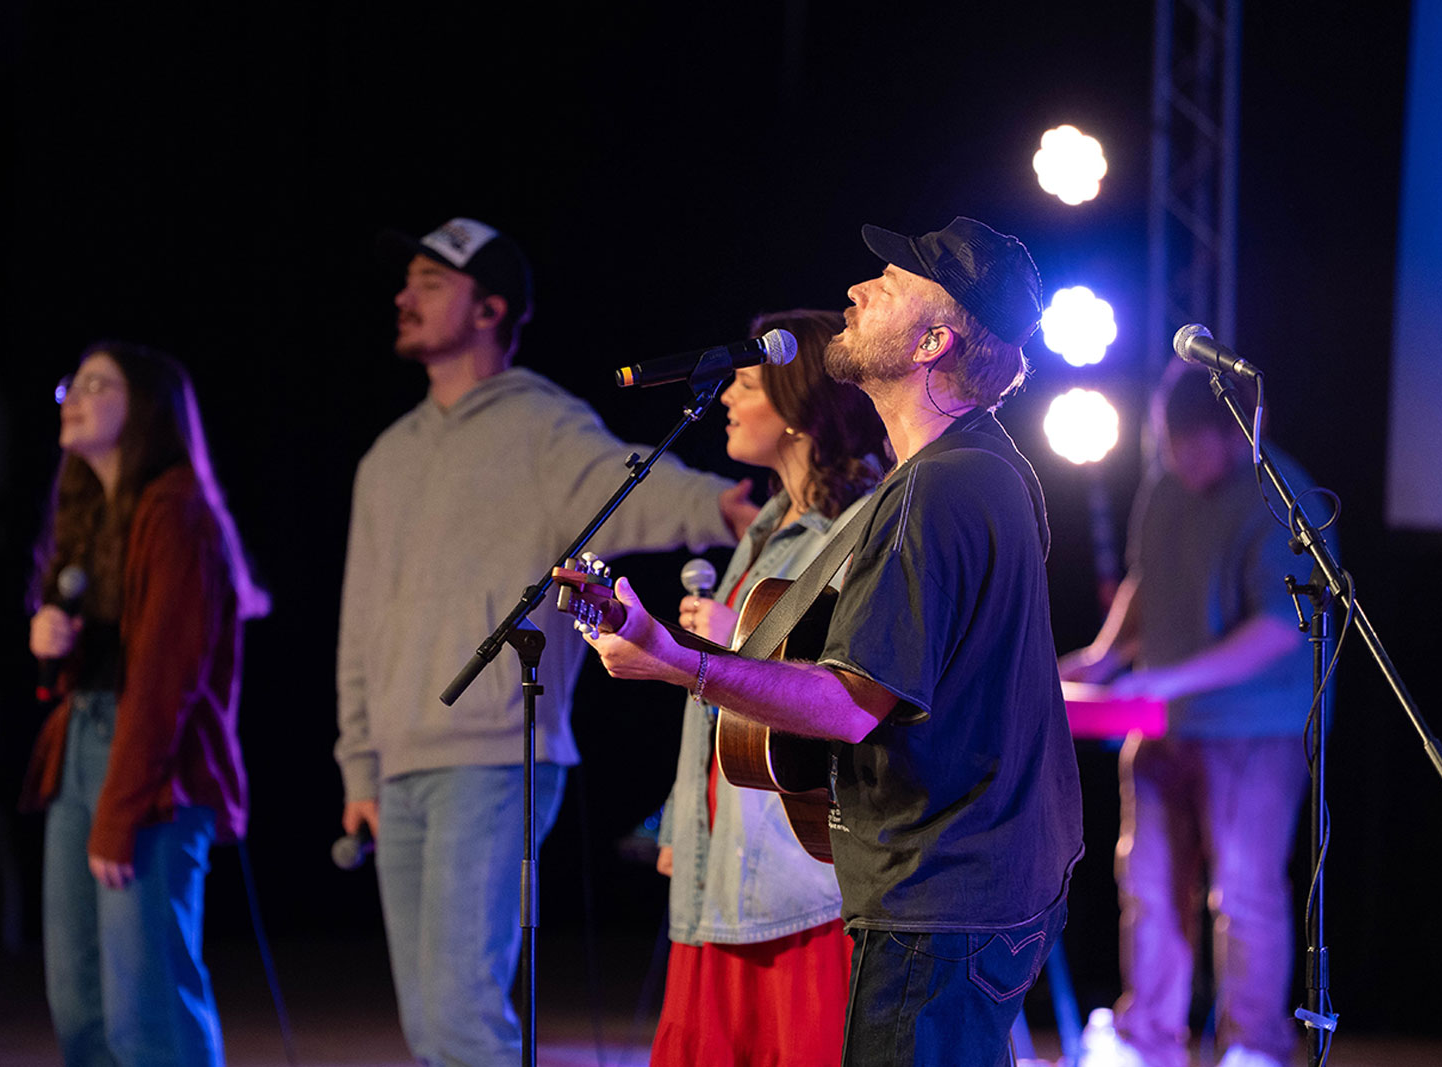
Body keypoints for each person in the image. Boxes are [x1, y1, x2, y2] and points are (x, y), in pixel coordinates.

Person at [584, 217, 1085, 1067]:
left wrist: (671, 660)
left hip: (939, 900)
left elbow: (850, 704)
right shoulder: (989, 469)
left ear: (934, 340)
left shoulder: (938, 490)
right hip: (981, 890)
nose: (856, 289)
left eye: (886, 285)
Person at [336, 216, 756, 1067]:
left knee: (460, 1017)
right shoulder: (384, 457)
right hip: (401, 765)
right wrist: (359, 764)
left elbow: (632, 481)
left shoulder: (540, 425)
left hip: (493, 758)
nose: (403, 298)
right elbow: (359, 622)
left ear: (490, 306)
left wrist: (722, 507)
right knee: (429, 1024)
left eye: (428, 282)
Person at [1058, 361, 1316, 1067]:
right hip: (1162, 722)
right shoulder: (1165, 485)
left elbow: (1279, 627)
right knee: (1146, 883)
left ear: (1235, 435)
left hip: (1252, 728)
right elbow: (1147, 578)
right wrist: (1105, 656)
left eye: (1194, 445)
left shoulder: (1279, 498)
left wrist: (1172, 679)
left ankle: (1253, 1046)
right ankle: (1147, 1038)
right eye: (1171, 444)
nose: (1181, 459)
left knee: (1245, 891)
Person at [22, 340, 268, 1066]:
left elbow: (167, 680)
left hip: (152, 770)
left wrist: (120, 810)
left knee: (146, 1007)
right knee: (81, 1007)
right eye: (76, 383)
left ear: (148, 411)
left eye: (101, 385)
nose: (78, 396)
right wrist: (48, 643)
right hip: (81, 751)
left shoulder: (178, 511)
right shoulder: (85, 510)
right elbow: (69, 668)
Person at [652, 308, 886, 1066]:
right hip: (724, 864)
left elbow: (841, 692)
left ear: (796, 406)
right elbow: (715, 708)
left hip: (797, 879)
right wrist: (679, 824)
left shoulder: (854, 529)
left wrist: (732, 644)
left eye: (747, 383)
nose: (726, 395)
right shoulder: (765, 528)